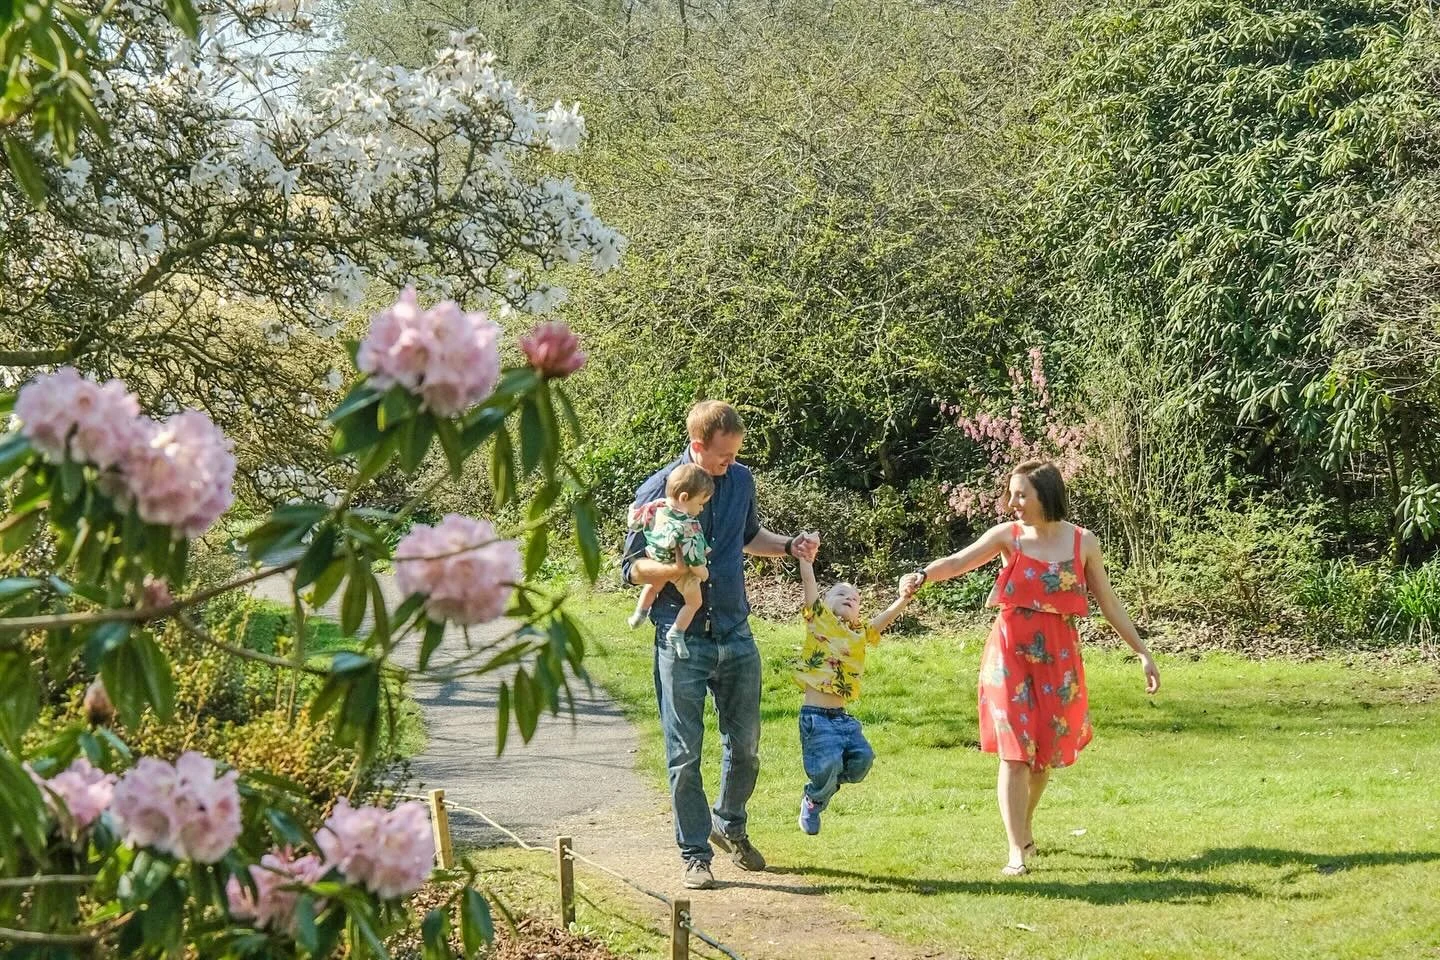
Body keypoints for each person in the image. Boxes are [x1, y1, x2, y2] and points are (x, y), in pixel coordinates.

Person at [900, 459, 1160, 876]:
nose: (1012, 502)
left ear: (1046, 494)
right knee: (1015, 753)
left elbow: (1109, 603)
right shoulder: (1009, 537)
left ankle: (1024, 828)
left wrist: (1142, 652)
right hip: (1009, 654)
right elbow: (956, 561)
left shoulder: (1082, 542)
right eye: (1012, 493)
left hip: (1059, 659)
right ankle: (1015, 850)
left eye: (1021, 494)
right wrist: (920, 575)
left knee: (1043, 759)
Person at [622, 400, 819, 890]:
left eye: (735, 456)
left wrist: (790, 546)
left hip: (735, 630)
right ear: (697, 446)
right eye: (723, 457)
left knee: (746, 745)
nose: (730, 465)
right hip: (681, 636)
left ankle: (728, 823)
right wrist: (677, 572)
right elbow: (631, 568)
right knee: (685, 751)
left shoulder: (742, 482)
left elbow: (749, 536)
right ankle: (694, 853)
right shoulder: (661, 491)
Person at [793, 548, 911, 835]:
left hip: (843, 718)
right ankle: (813, 798)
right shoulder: (818, 620)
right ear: (825, 601)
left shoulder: (860, 634)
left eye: (855, 598)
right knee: (828, 764)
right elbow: (810, 588)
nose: (849, 598)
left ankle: (825, 788)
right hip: (816, 717)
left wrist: (904, 599)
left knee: (862, 761)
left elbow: (883, 620)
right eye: (841, 594)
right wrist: (806, 563)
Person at [626, 464, 715, 659]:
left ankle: (640, 613)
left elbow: (634, 521)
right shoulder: (688, 526)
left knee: (653, 585)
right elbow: (693, 559)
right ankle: (677, 631)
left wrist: (633, 509)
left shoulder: (655, 507)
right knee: (694, 601)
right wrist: (704, 574)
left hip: (657, 560)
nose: (701, 509)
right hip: (682, 572)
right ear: (684, 498)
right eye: (700, 504)